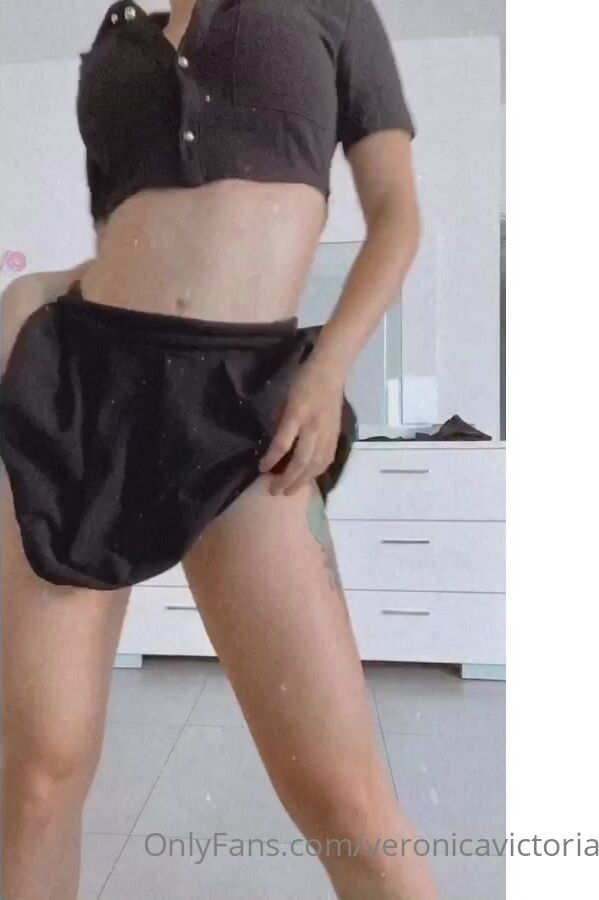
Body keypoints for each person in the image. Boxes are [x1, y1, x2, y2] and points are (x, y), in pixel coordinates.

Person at [0, 1, 439, 898]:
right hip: (81, 388)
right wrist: (32, 293)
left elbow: (396, 217)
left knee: (343, 798)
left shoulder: (331, 11)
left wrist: (328, 368)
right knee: (37, 778)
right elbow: (132, 238)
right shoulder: (118, 35)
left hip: (249, 407)